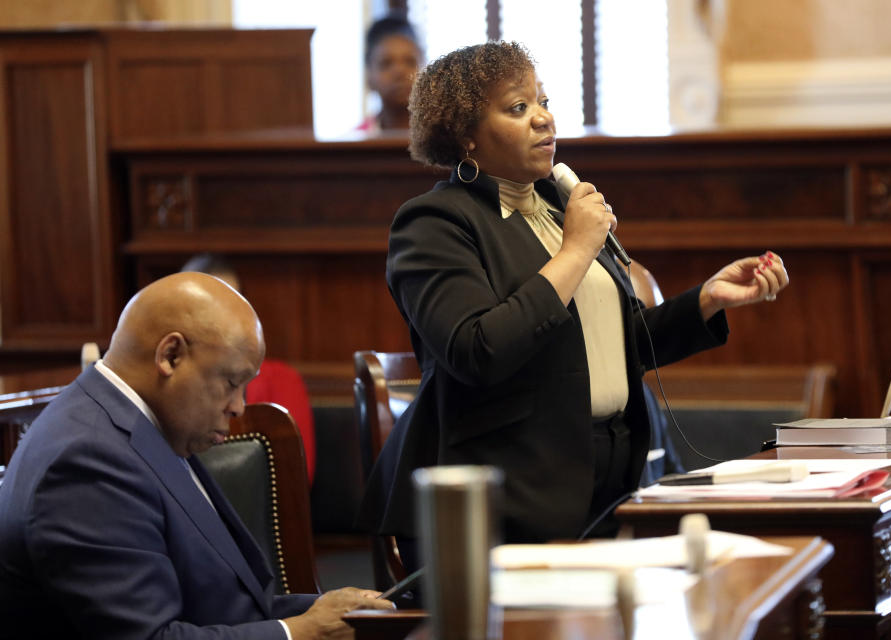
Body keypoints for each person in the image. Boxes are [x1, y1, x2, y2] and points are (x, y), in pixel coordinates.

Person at [358, 42, 789, 566]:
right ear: (466, 135)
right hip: (504, 509)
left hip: (610, 489)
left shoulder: (559, 207)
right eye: (518, 108)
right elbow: (479, 350)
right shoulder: (434, 223)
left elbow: (611, 342)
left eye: (543, 101)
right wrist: (578, 248)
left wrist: (705, 300)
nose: (543, 118)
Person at [0, 273, 393, 638]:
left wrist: (331, 609)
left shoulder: (139, 426)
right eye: (231, 382)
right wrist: (301, 632)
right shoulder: (86, 462)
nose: (239, 407)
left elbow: (225, 604)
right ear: (171, 355)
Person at [181, 253, 318, 486]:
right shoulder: (168, 386)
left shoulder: (283, 380)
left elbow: (296, 477)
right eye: (205, 307)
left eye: (230, 304)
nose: (219, 320)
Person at [356, 13, 423, 133]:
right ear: (369, 76)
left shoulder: (449, 139)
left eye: (410, 62)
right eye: (386, 63)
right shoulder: (352, 144)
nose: (399, 72)